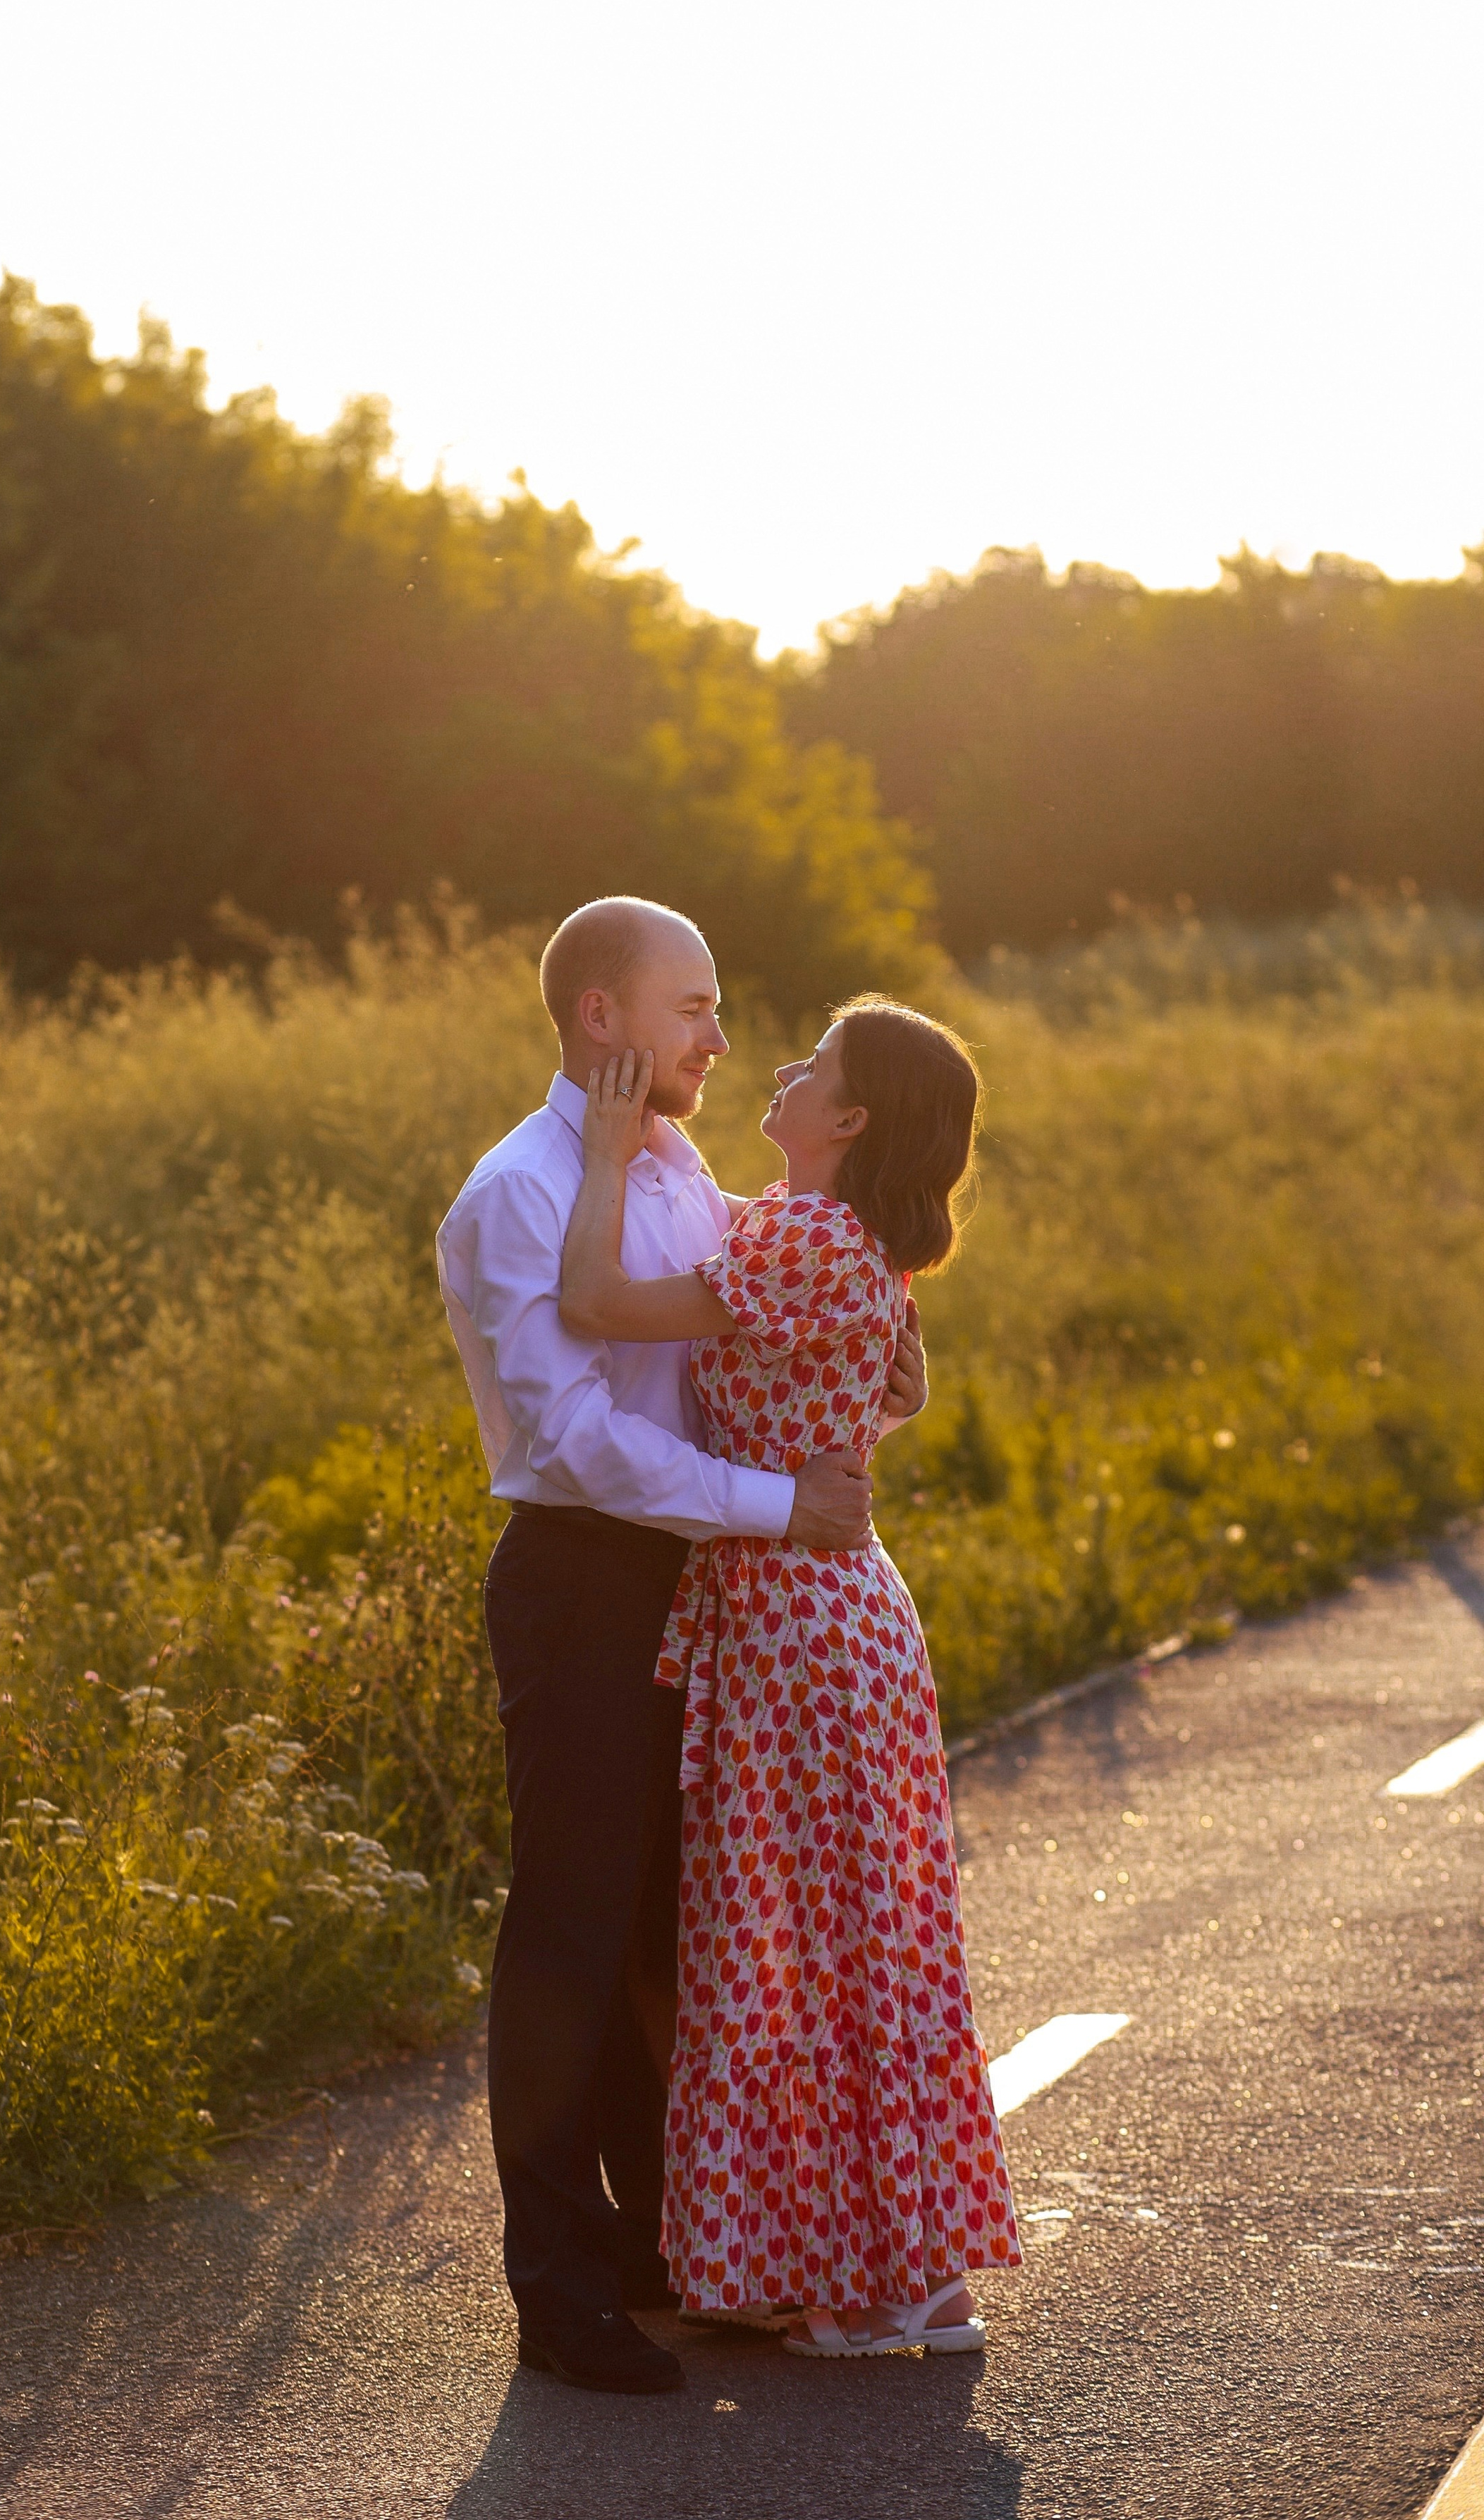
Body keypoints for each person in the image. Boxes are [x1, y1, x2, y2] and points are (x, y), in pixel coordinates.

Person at [436, 898, 929, 2397]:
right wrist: (780, 1508)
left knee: (676, 1930)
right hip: (589, 1580)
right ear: (602, 1018)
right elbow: (572, 1443)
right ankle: (556, 2289)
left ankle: (663, 2245)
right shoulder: (521, 1191)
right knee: (572, 1932)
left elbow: (768, 1340)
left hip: (711, 1592)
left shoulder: (680, 1169)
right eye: (693, 1007)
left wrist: (876, 1368)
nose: (719, 1036)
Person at [558, 999, 1021, 2359]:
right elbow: (880, 1392)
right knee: (867, 1944)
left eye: (814, 1064)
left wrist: (604, 1155)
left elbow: (593, 1304)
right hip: (832, 1616)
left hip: (795, 1627)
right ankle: (913, 2268)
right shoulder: (825, 1233)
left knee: (799, 1951)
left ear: (853, 1117)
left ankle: (868, 2287)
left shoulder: (811, 1236)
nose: (781, 1067)